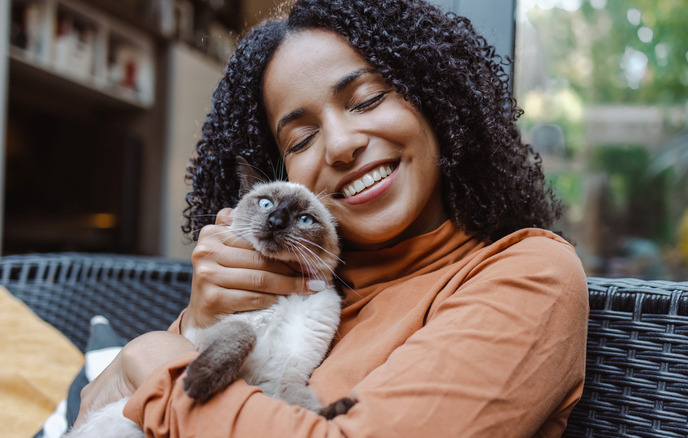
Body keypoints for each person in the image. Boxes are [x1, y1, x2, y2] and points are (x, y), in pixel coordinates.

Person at [75, 0, 589, 436]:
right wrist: (197, 323)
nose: (341, 145)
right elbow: (101, 412)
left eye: (367, 99)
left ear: (434, 98)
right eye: (300, 139)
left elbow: (157, 393)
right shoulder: (287, 284)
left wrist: (148, 358)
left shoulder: (528, 275)